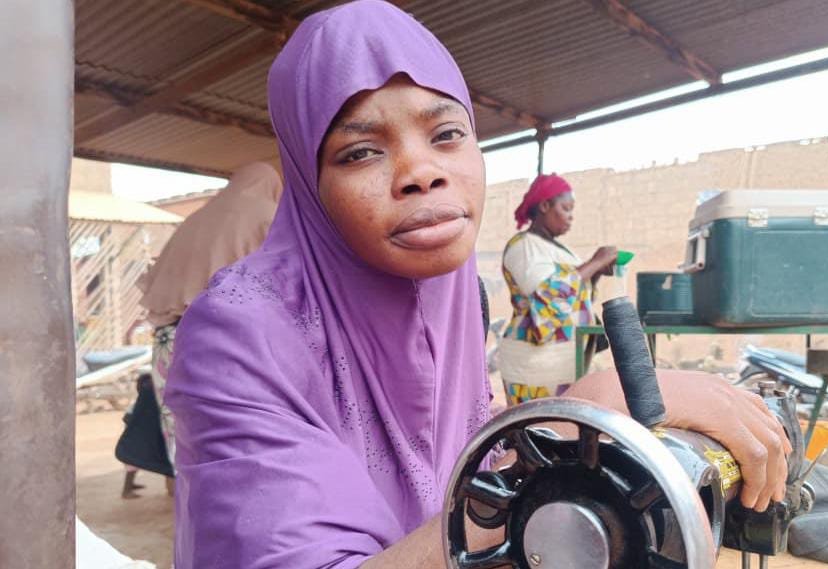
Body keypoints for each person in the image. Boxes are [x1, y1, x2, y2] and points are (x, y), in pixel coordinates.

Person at [164, 2, 790, 567]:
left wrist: (555, 428)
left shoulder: (454, 284)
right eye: (360, 152)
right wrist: (582, 420)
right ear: (307, 181)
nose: (421, 172)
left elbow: (471, 448)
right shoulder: (238, 332)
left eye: (446, 135)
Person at [137, 161, 282, 471]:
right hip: (229, 340)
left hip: (170, 341)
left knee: (185, 434)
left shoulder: (194, 220)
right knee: (242, 439)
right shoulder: (266, 216)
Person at [498, 173, 618, 404]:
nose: (571, 217)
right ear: (544, 206)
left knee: (560, 431)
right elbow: (549, 295)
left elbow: (574, 295)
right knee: (536, 431)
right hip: (535, 363)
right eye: (566, 208)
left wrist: (595, 274)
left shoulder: (560, 250)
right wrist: (594, 263)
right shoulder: (523, 246)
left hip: (564, 361)